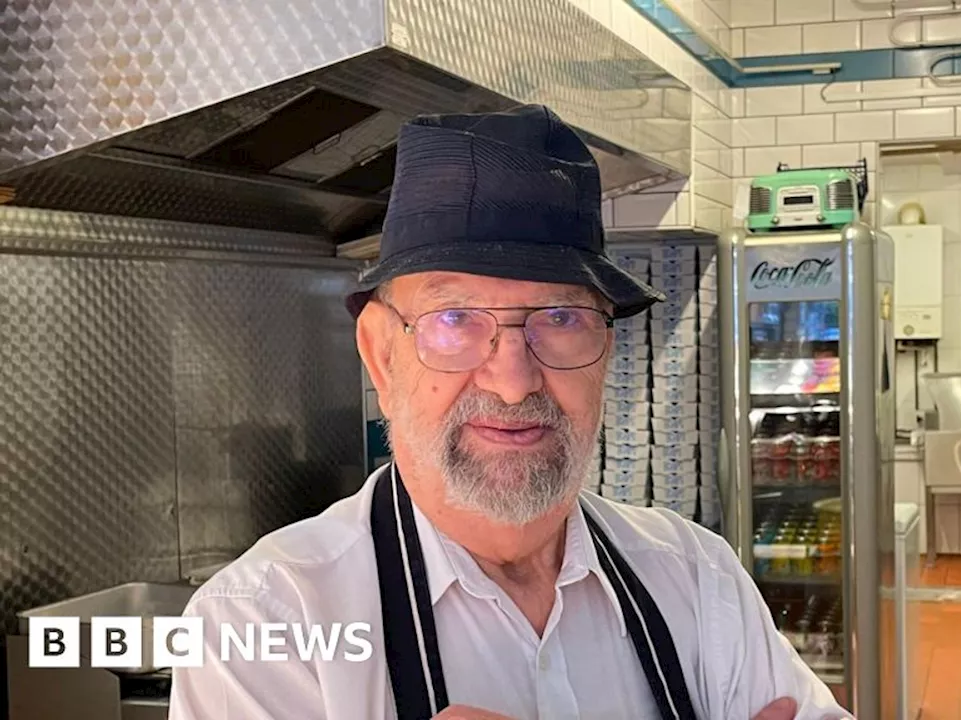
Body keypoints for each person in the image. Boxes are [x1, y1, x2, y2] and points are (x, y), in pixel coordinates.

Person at [167, 104, 854, 720]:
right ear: (380, 354)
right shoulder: (262, 624)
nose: (512, 379)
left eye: (560, 317)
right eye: (454, 317)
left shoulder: (697, 578)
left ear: (605, 352)